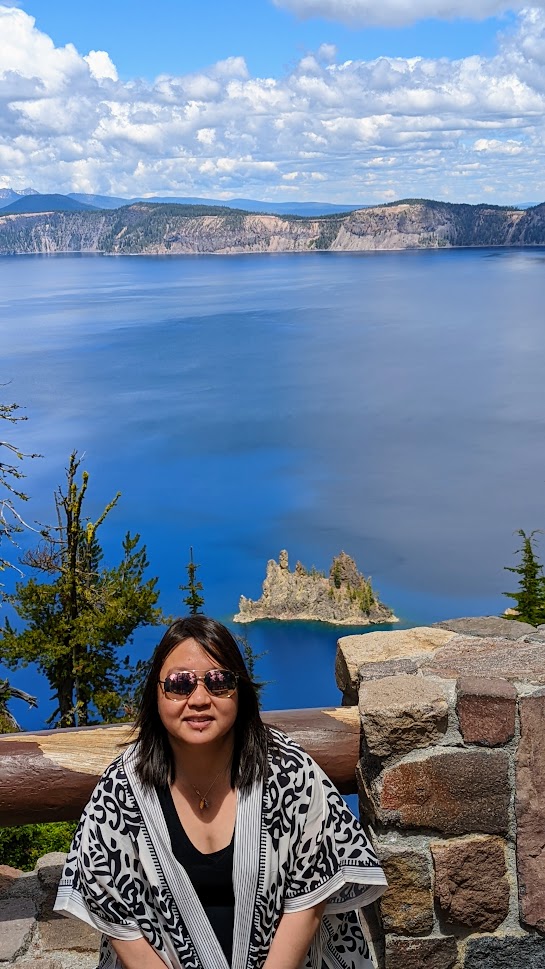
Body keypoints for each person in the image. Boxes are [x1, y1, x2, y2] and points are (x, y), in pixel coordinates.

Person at [55, 616, 387, 969]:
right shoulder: (122, 788)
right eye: (180, 684)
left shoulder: (287, 771)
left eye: (218, 681)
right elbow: (116, 915)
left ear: (239, 690)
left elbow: (307, 901)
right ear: (156, 693)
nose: (199, 698)